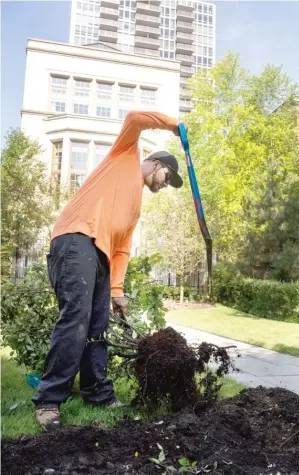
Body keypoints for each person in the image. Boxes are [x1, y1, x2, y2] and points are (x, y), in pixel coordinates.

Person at [33, 111, 185, 430]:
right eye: (168, 177)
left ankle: (97, 394)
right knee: (77, 317)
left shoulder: (136, 205)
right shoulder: (126, 154)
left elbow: (122, 249)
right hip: (76, 237)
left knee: (98, 325)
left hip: (101, 253)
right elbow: (134, 118)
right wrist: (173, 125)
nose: (166, 184)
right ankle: (49, 401)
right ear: (158, 164)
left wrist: (117, 291)